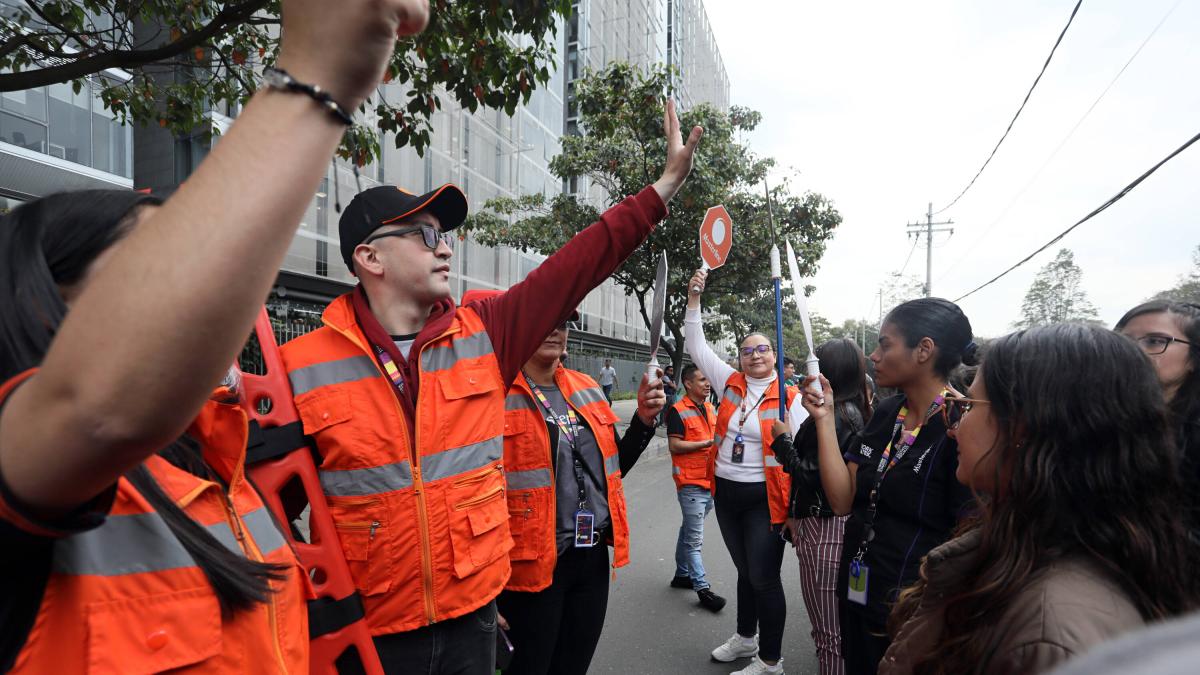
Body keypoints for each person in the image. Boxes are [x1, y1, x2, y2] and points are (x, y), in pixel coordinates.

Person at [0, 1, 430, 671]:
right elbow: (96, 410)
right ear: (44, 306)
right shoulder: (30, 469)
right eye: (157, 268)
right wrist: (319, 75)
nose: (215, 304)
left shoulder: (227, 467)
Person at [278, 101, 702, 674]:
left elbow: (578, 264)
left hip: (471, 624)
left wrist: (662, 189)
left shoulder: (487, 334)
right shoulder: (297, 367)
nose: (446, 247)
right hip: (367, 633)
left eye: (444, 235)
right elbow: (269, 517)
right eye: (426, 235)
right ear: (369, 256)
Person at [881, 323, 1200, 674]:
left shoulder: (1053, 634)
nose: (955, 426)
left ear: (1025, 428)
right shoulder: (1026, 544)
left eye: (970, 405)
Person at [477, 293, 664, 675]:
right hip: (527, 567)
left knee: (573, 666)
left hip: (590, 558)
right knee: (529, 668)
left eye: (562, 323)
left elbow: (611, 471)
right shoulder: (492, 392)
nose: (554, 330)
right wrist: (482, 593)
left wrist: (644, 420)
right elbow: (472, 499)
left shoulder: (587, 387)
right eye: (545, 320)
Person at [799, 298, 977, 675]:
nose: (873, 355)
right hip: (858, 585)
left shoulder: (960, 427)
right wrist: (824, 418)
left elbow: (971, 538)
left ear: (924, 350)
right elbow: (843, 500)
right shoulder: (886, 412)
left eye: (885, 344)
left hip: (913, 609)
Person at [686, 269, 806, 675]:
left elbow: (805, 459)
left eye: (763, 349)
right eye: (746, 350)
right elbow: (697, 345)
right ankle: (745, 638)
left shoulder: (793, 400)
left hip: (765, 499)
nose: (754, 355)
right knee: (745, 572)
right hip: (725, 493)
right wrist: (694, 299)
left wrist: (795, 509)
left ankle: (771, 661)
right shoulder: (729, 382)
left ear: (776, 356)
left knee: (764, 577)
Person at [769, 339, 870, 675]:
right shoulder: (844, 410)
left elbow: (811, 474)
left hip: (827, 530)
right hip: (817, 524)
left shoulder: (838, 417)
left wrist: (782, 440)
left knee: (831, 636)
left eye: (813, 368)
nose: (805, 376)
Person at [1115, 301, 1200, 535]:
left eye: (1155, 341)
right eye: (1125, 341)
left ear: (1194, 357)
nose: (1135, 351)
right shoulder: (1103, 420)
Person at [666, 364, 726, 612]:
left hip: (709, 482)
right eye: (701, 380)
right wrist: (706, 443)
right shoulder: (677, 411)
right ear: (688, 384)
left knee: (688, 530)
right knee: (694, 540)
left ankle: (682, 575)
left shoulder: (710, 407)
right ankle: (702, 588)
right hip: (690, 484)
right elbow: (674, 446)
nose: (707, 383)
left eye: (707, 379)